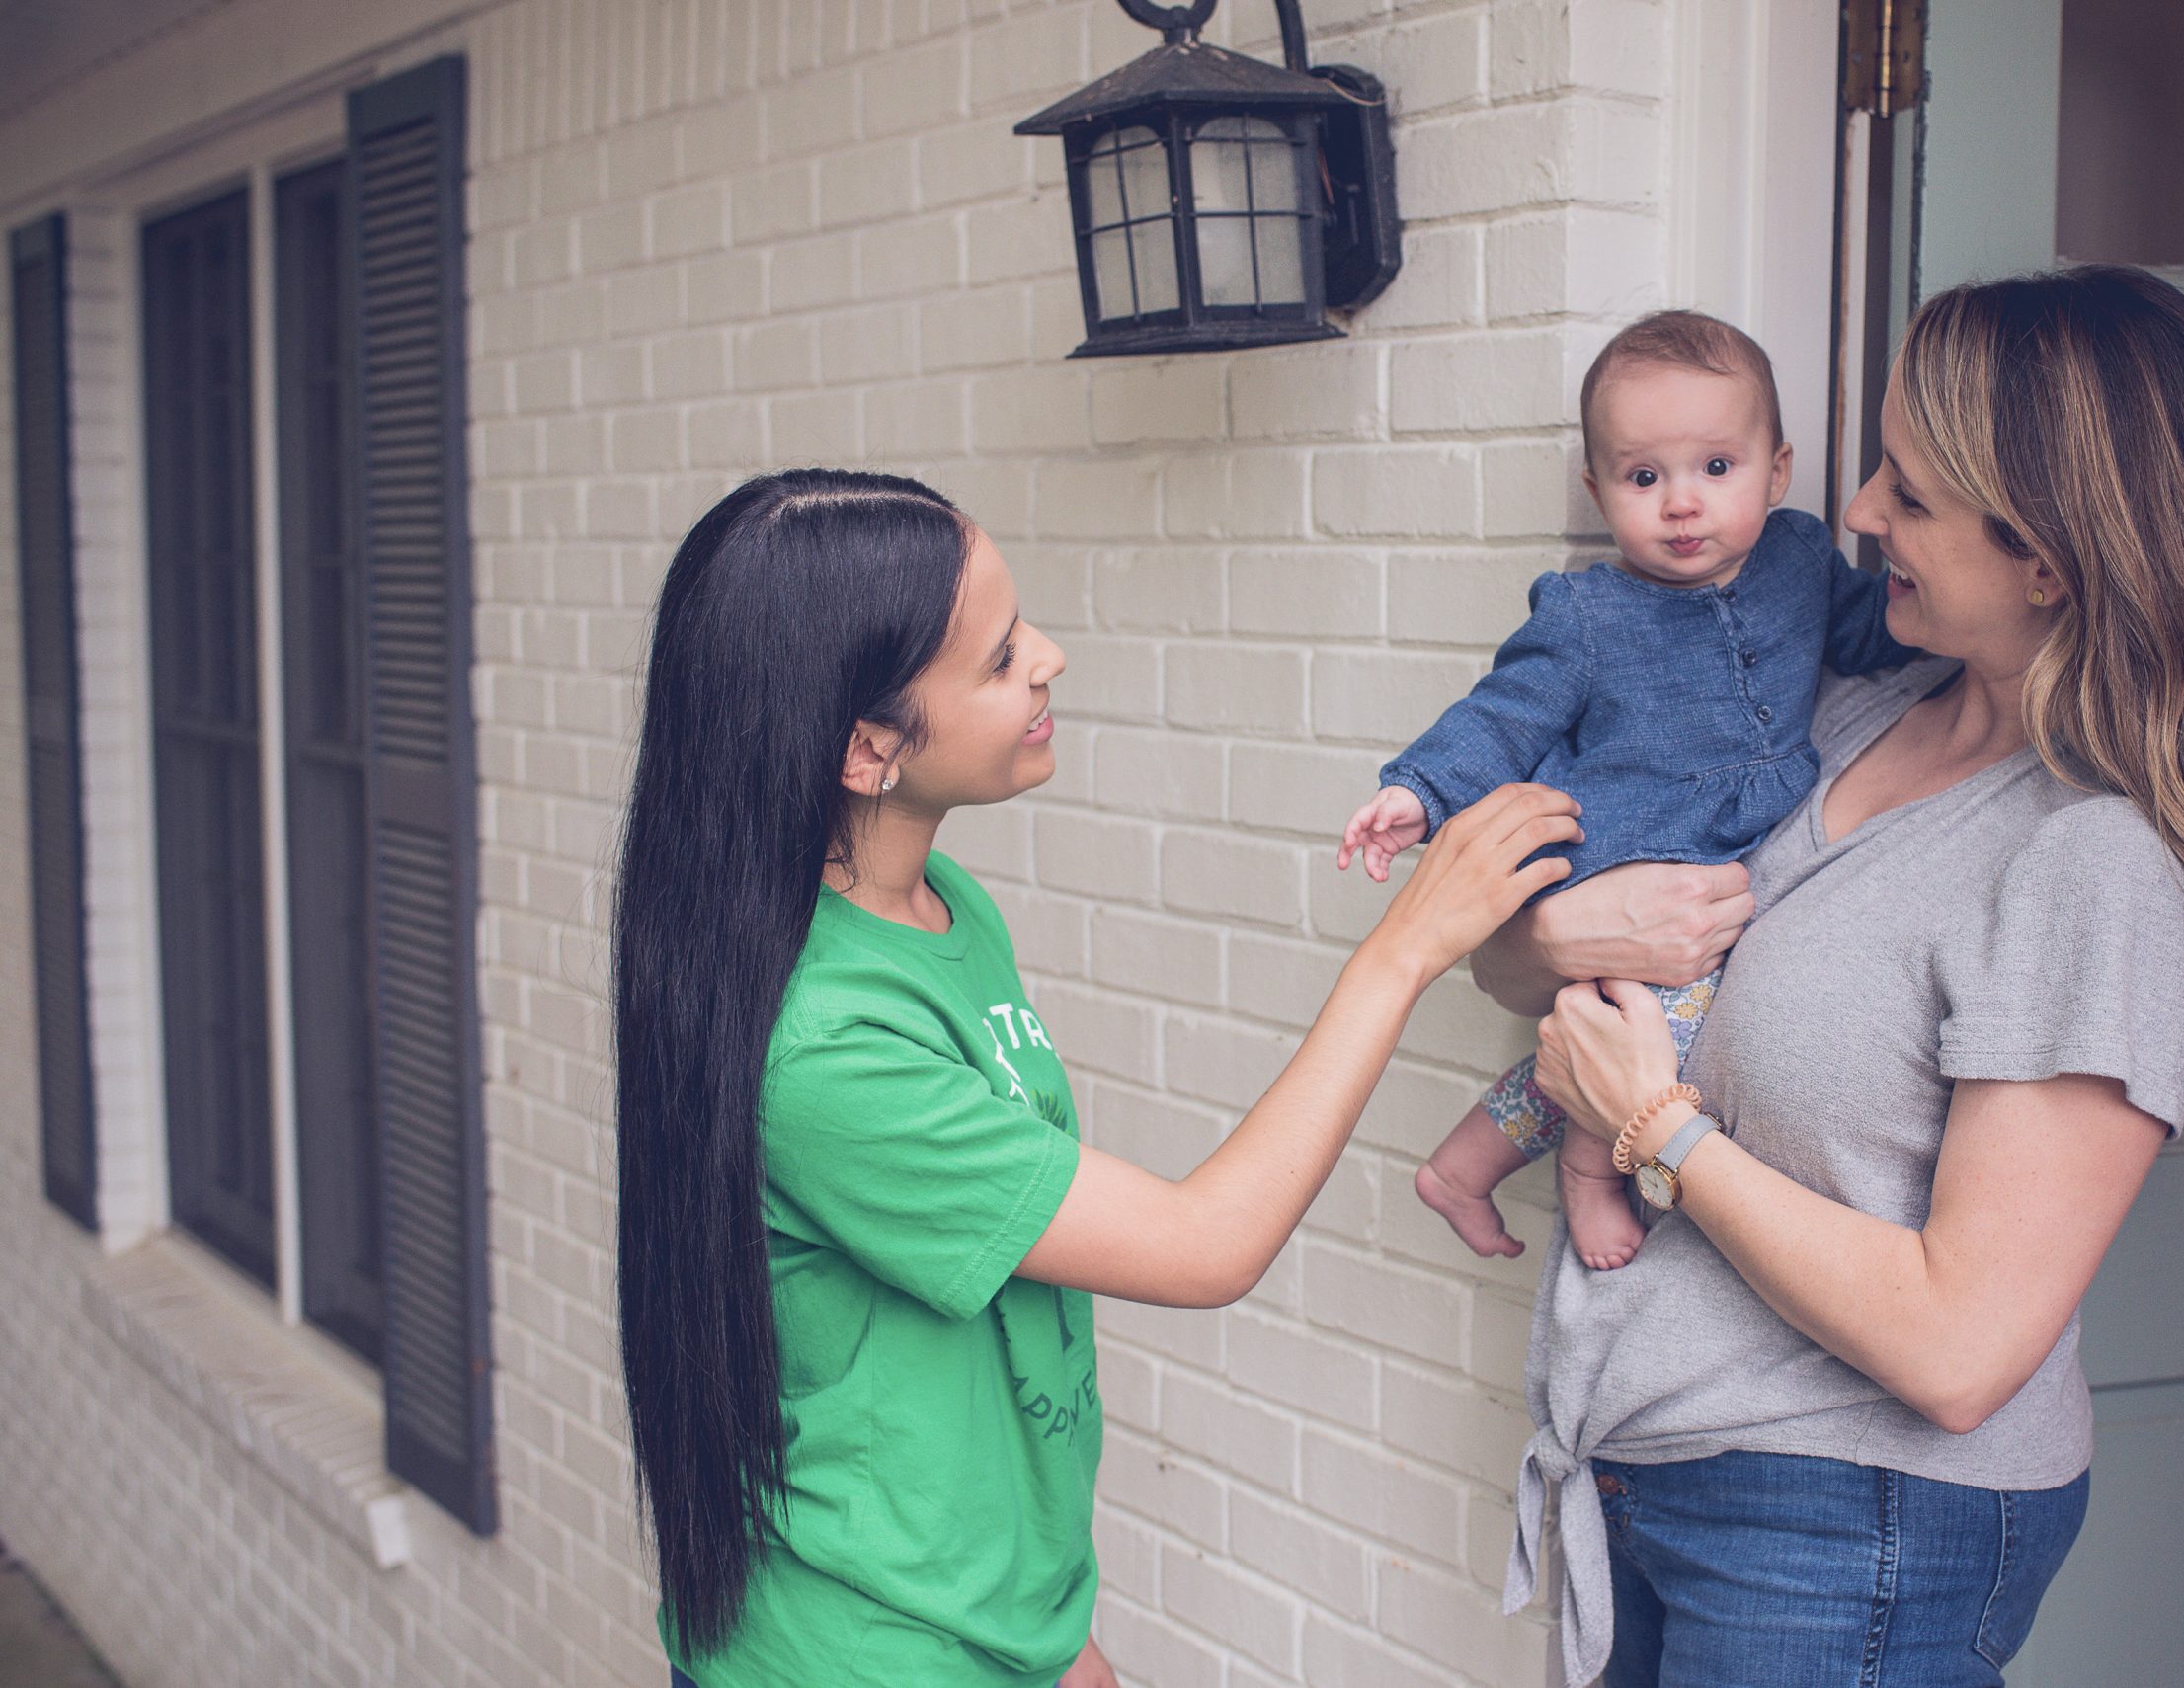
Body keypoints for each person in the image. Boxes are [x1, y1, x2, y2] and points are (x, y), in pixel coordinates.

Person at [1484, 266, 2184, 1687]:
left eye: (1910, 494)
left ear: (2049, 558)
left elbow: (1958, 1345)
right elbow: (1528, 945)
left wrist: (1654, 1131)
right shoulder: (1858, 704)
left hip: (1846, 1526)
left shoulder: (2100, 861)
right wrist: (1554, 941)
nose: (1859, 514)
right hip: (1652, 1466)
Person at [611, 470, 1577, 1688]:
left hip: (981, 1616)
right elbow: (1202, 1243)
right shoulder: (820, 1045)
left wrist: (1054, 1629)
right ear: (867, 747)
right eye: (1001, 654)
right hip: (865, 1652)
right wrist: (1402, 951)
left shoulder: (934, 907)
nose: (1049, 659)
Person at [1337, 310, 1912, 1271]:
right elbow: (1502, 716)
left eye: (1715, 469)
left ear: (1776, 470)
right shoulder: (1586, 612)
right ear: (1599, 487)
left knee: (1640, 1032)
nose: (1682, 503)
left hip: (1719, 852)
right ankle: (1585, 1175)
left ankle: (1459, 1167)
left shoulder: (1802, 560)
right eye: (1645, 477)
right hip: (1628, 849)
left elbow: (1874, 638)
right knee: (1652, 1033)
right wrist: (1420, 792)